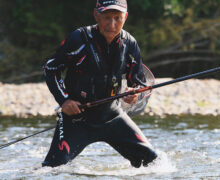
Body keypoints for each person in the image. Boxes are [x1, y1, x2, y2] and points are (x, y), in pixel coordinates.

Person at [42, 0, 157, 168]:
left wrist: (135, 94)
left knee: (154, 162)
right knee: (51, 170)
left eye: (117, 18)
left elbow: (139, 83)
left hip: (113, 116)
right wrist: (64, 101)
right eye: (107, 17)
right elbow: (50, 68)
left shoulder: (130, 43)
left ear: (125, 17)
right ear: (96, 15)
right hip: (76, 120)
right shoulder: (78, 39)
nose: (112, 24)